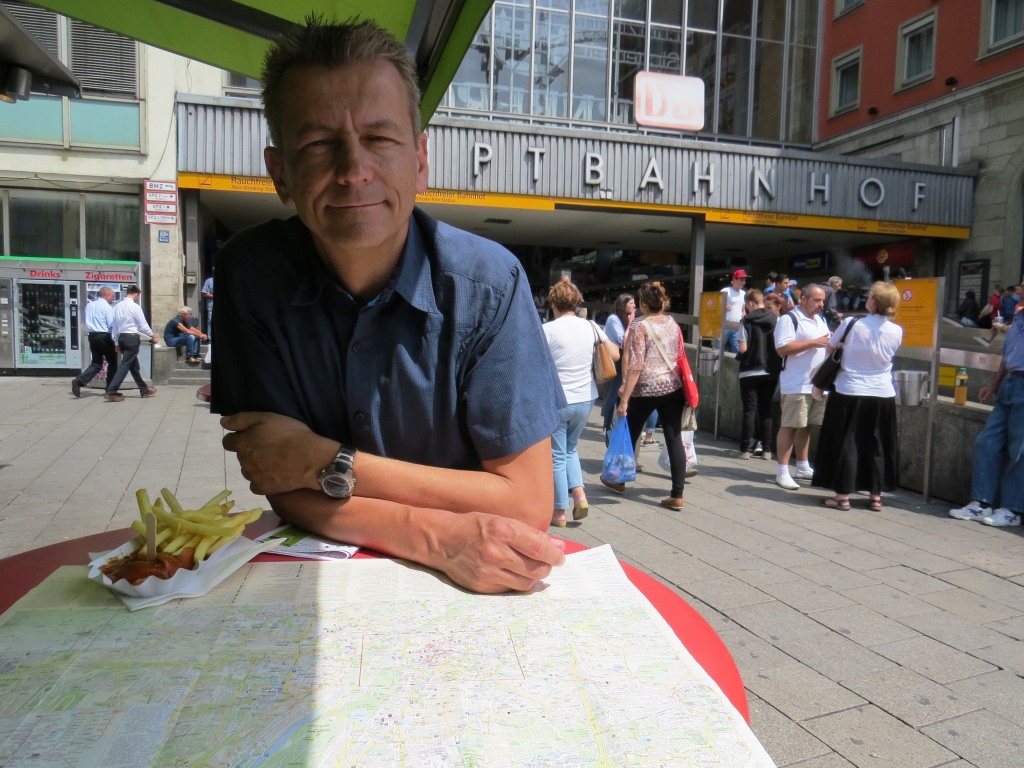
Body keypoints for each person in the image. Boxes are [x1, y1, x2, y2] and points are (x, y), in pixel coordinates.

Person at [211, 18, 567, 594]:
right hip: (313, 584)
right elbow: (276, 475)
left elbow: (527, 503)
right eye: (318, 144)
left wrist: (324, 460)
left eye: (379, 138)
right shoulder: (249, 274)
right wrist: (434, 536)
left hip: (468, 593)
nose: (354, 171)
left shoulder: (490, 284)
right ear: (280, 174)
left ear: (420, 159)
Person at [811, 282, 903, 511]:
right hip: (882, 392)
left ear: (874, 301)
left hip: (849, 390)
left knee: (848, 441)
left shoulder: (851, 324)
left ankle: (842, 496)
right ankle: (875, 496)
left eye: (869, 296)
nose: (866, 299)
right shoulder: (897, 331)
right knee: (878, 442)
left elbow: (830, 348)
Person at [604, 281, 688, 509]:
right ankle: (677, 494)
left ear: (643, 303)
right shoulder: (672, 322)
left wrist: (624, 398)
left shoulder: (640, 326)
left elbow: (636, 365)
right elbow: (679, 353)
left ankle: (618, 480)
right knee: (674, 438)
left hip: (647, 389)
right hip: (673, 387)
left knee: (630, 432)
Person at [543, 277, 618, 527]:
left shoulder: (547, 330)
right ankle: (580, 495)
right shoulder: (591, 326)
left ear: (553, 304)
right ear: (576, 303)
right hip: (586, 398)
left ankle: (559, 512)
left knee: (557, 455)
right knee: (570, 449)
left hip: (558, 400)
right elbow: (615, 354)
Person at [950, 298, 1024, 528]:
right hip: (1010, 383)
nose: (1020, 295)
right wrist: (993, 385)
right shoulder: (1018, 320)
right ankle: (981, 502)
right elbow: (1007, 357)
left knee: (1018, 450)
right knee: (986, 442)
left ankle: (1012, 509)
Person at [773, 284, 830, 490]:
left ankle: (803, 465)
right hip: (796, 382)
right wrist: (814, 342)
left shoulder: (820, 320)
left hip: (816, 384)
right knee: (790, 425)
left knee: (806, 425)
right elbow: (782, 348)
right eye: (817, 300)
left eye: (822, 300)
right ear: (803, 299)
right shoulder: (789, 319)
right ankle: (782, 471)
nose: (821, 304)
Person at [735, 289, 779, 460]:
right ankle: (767, 450)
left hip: (749, 370)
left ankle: (745, 450)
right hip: (769, 371)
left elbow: (743, 348)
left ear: (750, 303)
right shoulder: (775, 319)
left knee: (749, 410)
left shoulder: (746, 321)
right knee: (766, 409)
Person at [105, 285, 158, 402]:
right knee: (125, 365)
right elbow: (143, 324)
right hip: (132, 338)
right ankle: (111, 390)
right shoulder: (135, 307)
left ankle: (143, 389)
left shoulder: (117, 307)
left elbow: (115, 326)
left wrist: (116, 342)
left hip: (122, 337)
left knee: (133, 366)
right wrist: (152, 335)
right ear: (136, 294)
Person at [601, 293, 635, 442]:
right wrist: (632, 323)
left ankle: (617, 427)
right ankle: (608, 427)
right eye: (631, 303)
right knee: (614, 394)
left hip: (627, 361)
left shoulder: (629, 319)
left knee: (622, 395)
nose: (634, 306)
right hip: (615, 361)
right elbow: (624, 341)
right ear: (623, 304)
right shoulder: (613, 319)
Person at [71, 286, 117, 398]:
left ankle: (79, 381)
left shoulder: (90, 305)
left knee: (96, 363)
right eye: (112, 296)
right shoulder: (107, 307)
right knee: (113, 362)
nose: (113, 298)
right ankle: (110, 389)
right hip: (104, 336)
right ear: (107, 296)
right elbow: (111, 324)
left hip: (92, 336)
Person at [720, 269, 747, 354]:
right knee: (718, 348)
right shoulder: (725, 291)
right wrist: (722, 307)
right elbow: (716, 305)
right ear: (734, 279)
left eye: (744, 280)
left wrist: (744, 318)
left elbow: (743, 309)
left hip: (737, 326)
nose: (743, 282)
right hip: (724, 324)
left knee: (737, 350)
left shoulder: (744, 293)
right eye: (741, 280)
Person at [201, 273, 214, 340]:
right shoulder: (209, 281)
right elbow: (204, 293)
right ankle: (210, 339)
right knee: (210, 322)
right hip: (211, 306)